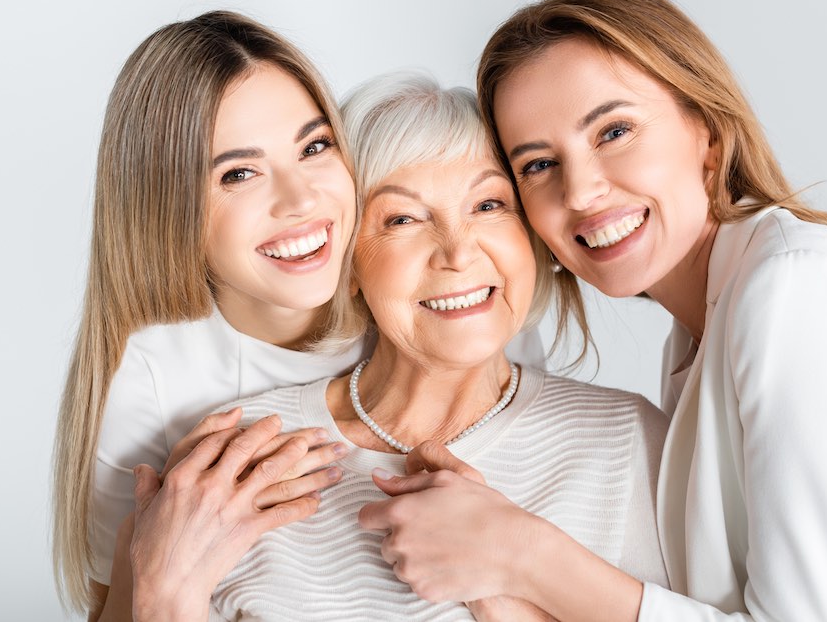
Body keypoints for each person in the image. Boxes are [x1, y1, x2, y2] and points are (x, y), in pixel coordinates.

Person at [358, 0, 827, 621]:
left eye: (613, 132)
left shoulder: (798, 291)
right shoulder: (699, 332)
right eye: (539, 165)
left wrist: (526, 555)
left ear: (708, 132)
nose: (580, 192)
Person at [51, 12, 546, 621]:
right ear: (169, 210)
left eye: (314, 146)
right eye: (239, 173)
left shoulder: (439, 295)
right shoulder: (153, 383)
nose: (302, 200)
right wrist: (166, 573)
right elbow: (123, 603)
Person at [127, 72, 669, 621]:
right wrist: (160, 593)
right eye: (403, 218)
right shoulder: (240, 464)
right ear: (349, 260)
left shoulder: (631, 442)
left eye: (488, 205)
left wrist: (501, 584)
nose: (457, 252)